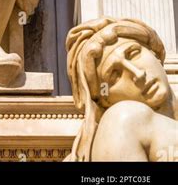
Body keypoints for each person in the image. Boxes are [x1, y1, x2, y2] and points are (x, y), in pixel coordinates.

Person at [65, 17, 178, 161]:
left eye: (134, 54)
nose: (138, 74)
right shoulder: (122, 120)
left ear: (154, 54)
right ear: (105, 101)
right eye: (115, 75)